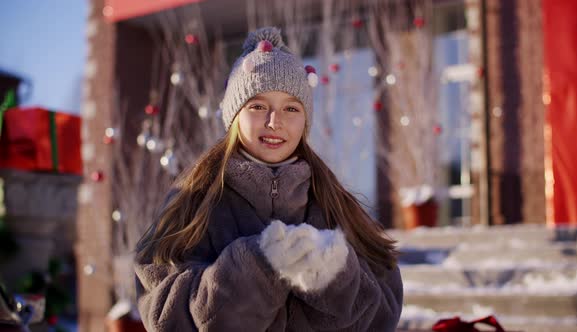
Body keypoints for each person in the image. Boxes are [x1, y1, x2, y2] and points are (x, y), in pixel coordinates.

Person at [134, 26, 403, 331]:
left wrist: (336, 277)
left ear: (305, 121)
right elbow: (163, 314)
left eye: (291, 108)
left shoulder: (336, 203)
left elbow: (384, 313)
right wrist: (256, 266)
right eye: (258, 106)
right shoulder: (192, 200)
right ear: (234, 116)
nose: (275, 122)